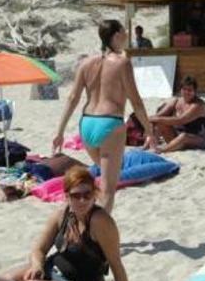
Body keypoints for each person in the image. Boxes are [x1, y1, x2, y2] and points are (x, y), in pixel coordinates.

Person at [7, 167, 151, 281]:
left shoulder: (99, 220)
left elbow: (116, 263)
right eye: (76, 196)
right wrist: (37, 265)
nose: (82, 200)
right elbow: (39, 249)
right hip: (50, 271)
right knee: (6, 280)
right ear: (67, 196)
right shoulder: (62, 215)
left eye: (87, 194)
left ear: (95, 194)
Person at [52, 19, 156, 214]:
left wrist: (60, 132)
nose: (126, 36)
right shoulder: (122, 62)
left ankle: (85, 223)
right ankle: (96, 235)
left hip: (87, 123)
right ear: (116, 35)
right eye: (124, 33)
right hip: (110, 123)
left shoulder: (85, 63)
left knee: (101, 183)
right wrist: (148, 130)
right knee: (108, 189)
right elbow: (136, 101)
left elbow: (73, 98)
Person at [148, 76, 205, 153]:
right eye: (184, 89)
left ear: (195, 92)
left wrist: (157, 119)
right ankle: (149, 146)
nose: (187, 92)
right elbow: (158, 115)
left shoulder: (198, 105)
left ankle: (162, 150)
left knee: (184, 136)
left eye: (190, 90)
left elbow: (181, 120)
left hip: (197, 139)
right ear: (181, 90)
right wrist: (152, 120)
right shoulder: (176, 101)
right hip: (176, 136)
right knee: (158, 124)